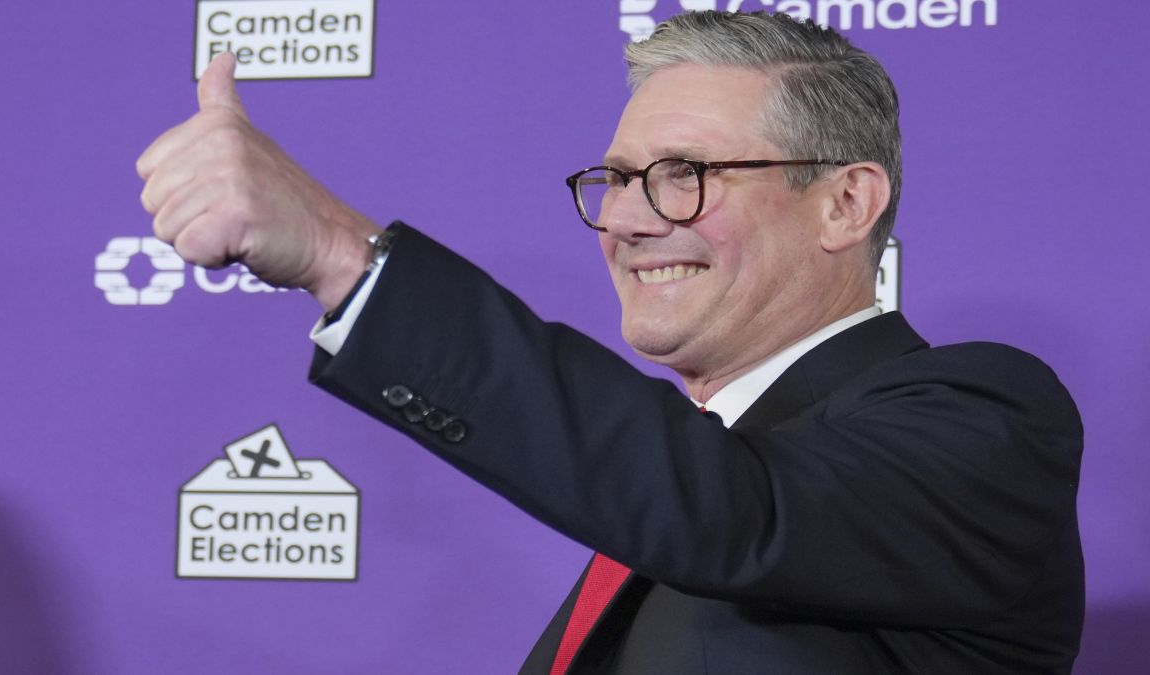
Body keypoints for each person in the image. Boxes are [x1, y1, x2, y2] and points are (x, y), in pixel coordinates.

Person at [137, 10, 1084, 674]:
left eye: (684, 175)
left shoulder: (986, 417)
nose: (626, 219)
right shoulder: (681, 481)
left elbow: (732, 515)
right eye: (618, 179)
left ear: (845, 202)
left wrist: (346, 257)